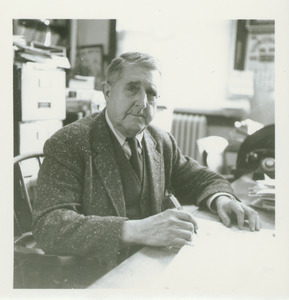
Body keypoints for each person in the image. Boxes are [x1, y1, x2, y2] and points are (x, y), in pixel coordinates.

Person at [32, 52, 259, 275]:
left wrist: (222, 198)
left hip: (150, 265)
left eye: (151, 94)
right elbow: (50, 225)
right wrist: (137, 230)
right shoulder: (69, 142)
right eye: (132, 88)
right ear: (108, 92)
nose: (142, 102)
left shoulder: (160, 140)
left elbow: (201, 178)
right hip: (97, 276)